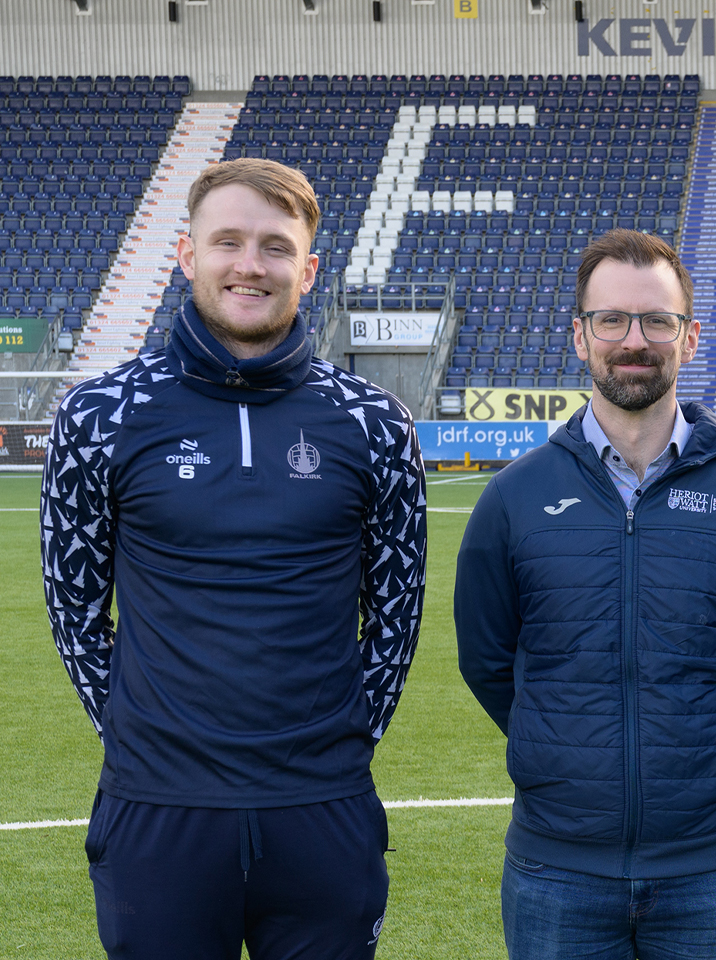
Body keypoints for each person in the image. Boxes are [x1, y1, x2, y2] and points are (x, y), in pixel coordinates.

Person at [40, 158, 427, 958]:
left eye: (276, 247)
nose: (251, 264)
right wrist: (137, 734)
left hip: (324, 805)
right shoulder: (100, 413)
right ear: (188, 255)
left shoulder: (374, 423)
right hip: (157, 810)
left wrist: (345, 738)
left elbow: (397, 615)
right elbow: (73, 607)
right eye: (229, 241)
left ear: (309, 268)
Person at [455, 228, 716, 960]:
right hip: (557, 869)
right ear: (580, 336)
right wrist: (564, 755)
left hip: (713, 868)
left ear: (690, 336)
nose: (634, 340)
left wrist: (703, 755)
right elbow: (488, 661)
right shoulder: (514, 497)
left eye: (657, 321)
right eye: (611, 320)